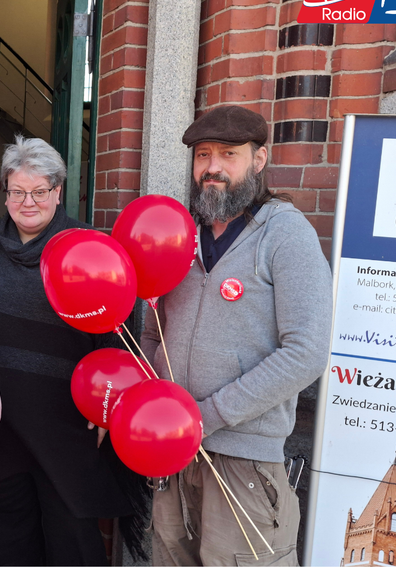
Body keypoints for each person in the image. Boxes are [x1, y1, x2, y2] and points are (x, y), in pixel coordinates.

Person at [139, 105, 333, 566]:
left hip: (243, 465)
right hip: (171, 455)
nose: (213, 167)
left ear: (259, 159)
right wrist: (150, 406)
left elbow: (305, 353)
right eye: (203, 155)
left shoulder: (286, 235)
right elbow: (152, 329)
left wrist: (208, 416)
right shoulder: (179, 235)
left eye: (229, 154)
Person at [0, 137, 148, 566]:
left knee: (71, 542)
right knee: (0, 539)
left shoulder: (86, 247)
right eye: (18, 191)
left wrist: (108, 406)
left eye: (39, 191)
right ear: (5, 192)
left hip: (64, 422)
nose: (28, 202)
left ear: (58, 192)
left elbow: (117, 331)